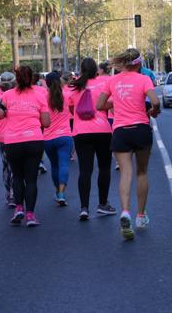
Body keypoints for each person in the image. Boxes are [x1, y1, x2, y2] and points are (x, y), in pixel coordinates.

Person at [97, 48, 160, 241]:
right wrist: (153, 112)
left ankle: (125, 212)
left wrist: (115, 103)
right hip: (140, 128)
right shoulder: (143, 79)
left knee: (125, 172)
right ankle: (141, 216)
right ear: (139, 64)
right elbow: (155, 101)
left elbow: (99, 105)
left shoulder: (112, 81)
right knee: (142, 171)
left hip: (120, 131)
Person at [0, 66, 50, 226]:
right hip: (33, 141)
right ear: (32, 78)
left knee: (17, 176)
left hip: (13, 141)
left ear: (16, 79)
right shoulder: (39, 96)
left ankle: (18, 208)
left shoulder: (7, 95)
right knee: (31, 179)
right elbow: (46, 122)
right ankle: (30, 215)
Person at [68, 58, 116, 220]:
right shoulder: (105, 82)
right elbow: (110, 102)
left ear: (81, 70)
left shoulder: (74, 86)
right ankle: (103, 204)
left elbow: (71, 107)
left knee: (85, 170)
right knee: (104, 167)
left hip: (81, 132)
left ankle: (84, 208)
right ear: (96, 68)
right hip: (103, 130)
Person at [43, 72, 73, 206]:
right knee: (64, 165)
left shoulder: (42, 97)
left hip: (48, 137)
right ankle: (61, 193)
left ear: (47, 83)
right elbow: (73, 110)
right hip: (65, 136)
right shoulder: (67, 95)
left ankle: (56, 191)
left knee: (54, 165)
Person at [0, 76, 15, 208]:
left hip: (2, 136)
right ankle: (14, 193)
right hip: (14, 136)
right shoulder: (14, 97)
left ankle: (9, 193)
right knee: (15, 167)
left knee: (6, 166)